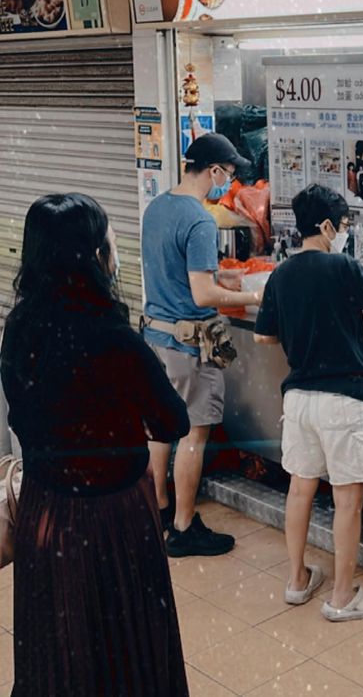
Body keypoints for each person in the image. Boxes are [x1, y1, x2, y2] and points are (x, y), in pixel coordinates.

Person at [1, 193, 191, 696]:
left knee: (58, 652)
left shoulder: (19, 328)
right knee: (124, 648)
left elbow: (23, 415)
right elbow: (173, 420)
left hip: (44, 517)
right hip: (115, 520)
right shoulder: (114, 339)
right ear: (93, 256)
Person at [254, 184, 363, 621]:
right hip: (344, 399)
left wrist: (305, 333)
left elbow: (263, 335)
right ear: (326, 226)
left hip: (300, 400)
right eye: (342, 225)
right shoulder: (340, 265)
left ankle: (297, 580)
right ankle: (343, 597)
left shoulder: (281, 274)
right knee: (347, 501)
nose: (343, 233)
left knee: (300, 488)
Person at [142, 132, 264, 557]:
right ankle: (183, 526)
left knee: (159, 430)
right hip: (188, 346)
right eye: (228, 176)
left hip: (155, 338)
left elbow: (176, 274)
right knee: (195, 433)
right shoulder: (198, 219)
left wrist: (222, 278)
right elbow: (201, 296)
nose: (228, 185)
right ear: (213, 171)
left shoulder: (156, 208)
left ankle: (157, 510)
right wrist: (251, 296)